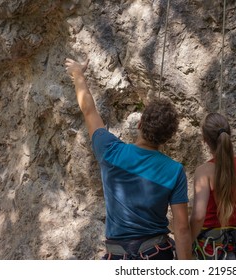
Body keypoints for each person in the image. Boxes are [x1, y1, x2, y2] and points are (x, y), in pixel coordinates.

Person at [65, 57, 192, 260]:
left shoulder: (110, 151)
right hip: (157, 255)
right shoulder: (174, 170)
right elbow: (182, 228)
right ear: (167, 138)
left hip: (118, 257)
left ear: (140, 124)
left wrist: (78, 74)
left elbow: (89, 110)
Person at [190, 112, 236, 260]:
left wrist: (186, 241)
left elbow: (198, 216)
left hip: (212, 250)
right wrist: (234, 226)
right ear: (229, 134)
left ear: (204, 140)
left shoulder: (204, 172)